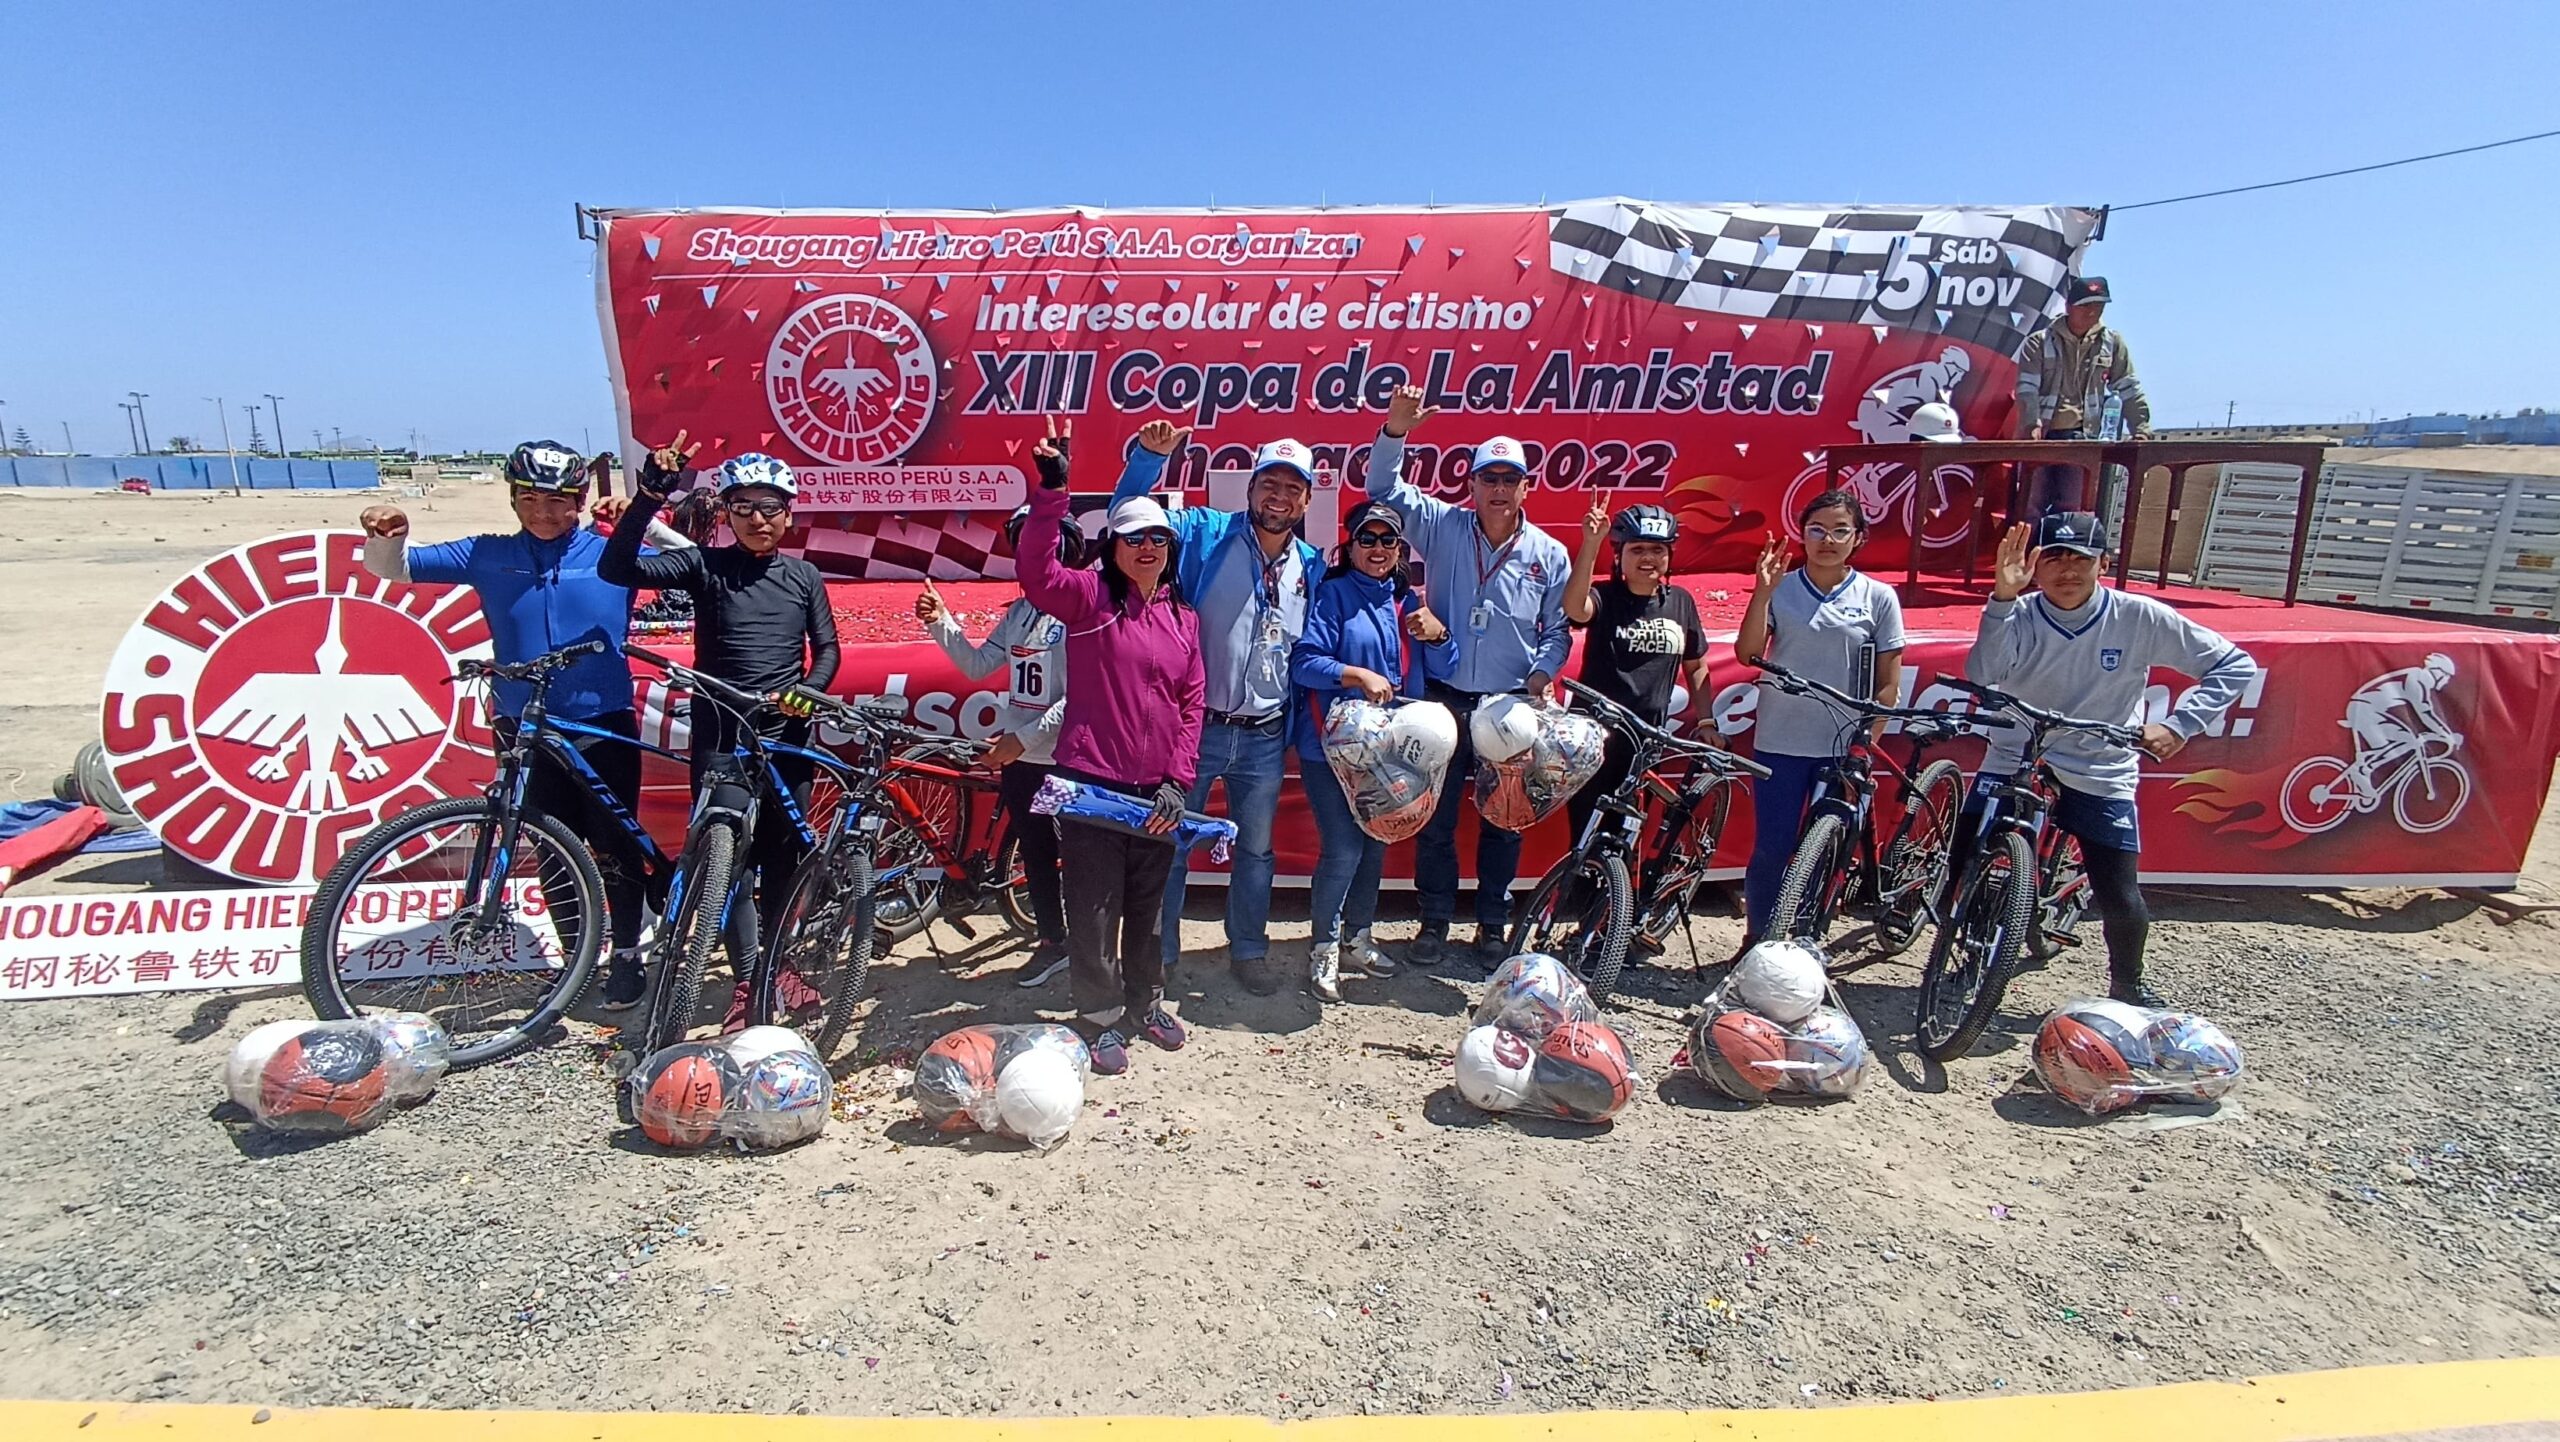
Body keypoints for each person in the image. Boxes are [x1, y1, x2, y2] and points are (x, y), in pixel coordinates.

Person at [358, 440, 656, 1008]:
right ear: (514, 500)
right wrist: (385, 534)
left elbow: (691, 560)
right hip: (523, 725)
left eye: (559, 501)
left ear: (581, 500)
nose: (544, 513)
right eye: (530, 500)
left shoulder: (610, 553)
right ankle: (577, 956)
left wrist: (640, 522)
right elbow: (393, 571)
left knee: (613, 844)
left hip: (604, 720)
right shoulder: (486, 554)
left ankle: (625, 954)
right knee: (550, 846)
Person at [1964, 512, 2259, 1006]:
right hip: (2014, 754)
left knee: (2120, 892)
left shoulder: (2139, 616)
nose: (2067, 571)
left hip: (2100, 762)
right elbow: (1982, 673)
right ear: (2034, 566)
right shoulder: (2016, 610)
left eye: (2080, 558)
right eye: (2053, 558)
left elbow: (2233, 665)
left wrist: (2179, 724)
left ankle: (2129, 984)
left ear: (2104, 562)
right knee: (1964, 863)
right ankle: (1967, 956)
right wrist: (2002, 599)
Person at [599, 435, 843, 1025]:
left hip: (786, 734)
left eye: (771, 508)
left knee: (784, 857)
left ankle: (780, 966)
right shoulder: (703, 564)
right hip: (722, 732)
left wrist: (807, 694)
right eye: (744, 508)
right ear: (727, 514)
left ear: (789, 514)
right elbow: (617, 567)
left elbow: (829, 650)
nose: (758, 520)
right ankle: (745, 981)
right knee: (727, 863)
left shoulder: (804, 575)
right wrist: (652, 494)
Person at [1017, 419, 1204, 1076]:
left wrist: (1178, 783)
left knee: (1149, 909)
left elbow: (1192, 704)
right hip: (1091, 786)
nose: (1147, 547)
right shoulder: (1090, 598)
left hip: (1157, 792)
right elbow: (1037, 572)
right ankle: (1096, 1020)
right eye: (1133, 538)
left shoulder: (1184, 618)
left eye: (1159, 537)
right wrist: (1052, 493)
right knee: (1094, 911)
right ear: (1112, 547)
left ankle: (1145, 1002)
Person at [1108, 422, 1321, 996]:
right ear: (1250, 489)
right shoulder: (1203, 533)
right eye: (1268, 483)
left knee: (1256, 850)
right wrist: (1149, 456)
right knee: (1171, 843)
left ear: (1306, 500)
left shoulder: (1313, 565)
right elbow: (1127, 515)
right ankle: (1162, 953)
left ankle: (1249, 949)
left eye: (1291, 487)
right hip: (1195, 727)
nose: (1278, 496)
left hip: (1265, 733)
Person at [1365, 385, 1572, 970]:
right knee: (1438, 815)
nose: (1499, 490)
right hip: (1447, 698)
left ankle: (1491, 926)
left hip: (1510, 706)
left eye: (1510, 479)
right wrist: (1396, 431)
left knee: (1503, 822)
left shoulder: (1549, 553)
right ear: (1473, 484)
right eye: (1489, 478)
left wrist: (1542, 673)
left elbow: (1558, 629)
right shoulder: (1442, 525)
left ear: (1526, 486)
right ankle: (1433, 921)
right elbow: (1383, 491)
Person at [1289, 500, 1455, 1001]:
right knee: (1342, 848)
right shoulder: (1331, 595)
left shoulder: (1409, 602)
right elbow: (1304, 662)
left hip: (1394, 753)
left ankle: (1357, 937)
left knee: (1376, 842)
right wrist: (1354, 675)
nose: (1378, 549)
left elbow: (1446, 665)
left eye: (1388, 541)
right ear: (1350, 545)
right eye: (1368, 539)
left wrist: (1439, 633)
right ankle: (1323, 947)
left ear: (1401, 549)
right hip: (1332, 753)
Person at [1733, 490, 1907, 959]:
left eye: (1839, 530)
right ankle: (1759, 942)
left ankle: (1805, 940)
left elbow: (1888, 681)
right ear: (1801, 535)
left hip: (1842, 746)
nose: (1826, 540)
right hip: (1781, 739)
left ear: (1858, 538)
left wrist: (1869, 741)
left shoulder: (1878, 597)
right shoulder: (1783, 588)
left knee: (1826, 849)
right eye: (1816, 530)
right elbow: (1748, 654)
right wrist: (1762, 592)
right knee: (1772, 848)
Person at [914, 504, 1078, 988]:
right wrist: (941, 622)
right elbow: (978, 665)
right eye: (1022, 544)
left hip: (1068, 757)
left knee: (1088, 857)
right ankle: (1053, 943)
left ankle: (1095, 951)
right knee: (1037, 852)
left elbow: (1083, 698)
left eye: (1041, 543)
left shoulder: (1081, 611)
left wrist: (1022, 739)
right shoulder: (1022, 612)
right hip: (1022, 757)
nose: (1029, 553)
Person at [1561, 500, 1711, 853]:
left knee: (1627, 839)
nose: (1648, 558)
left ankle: (1619, 904)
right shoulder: (1604, 595)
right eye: (1637, 549)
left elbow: (1696, 666)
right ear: (1620, 555)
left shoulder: (1682, 602)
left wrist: (1707, 721)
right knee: (1586, 836)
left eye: (1658, 549)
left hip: (1647, 741)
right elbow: (1574, 608)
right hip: (1596, 738)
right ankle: (1580, 903)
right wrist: (1591, 544)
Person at [2016, 276, 2150, 516]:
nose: (2093, 312)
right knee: (2030, 506)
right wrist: (2031, 423)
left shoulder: (2112, 343)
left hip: (2083, 439)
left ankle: (2064, 554)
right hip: (2042, 436)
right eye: (2086, 305)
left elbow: (2129, 388)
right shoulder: (2040, 342)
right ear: (2069, 307)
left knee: (2072, 509)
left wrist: (2141, 427)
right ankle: (2027, 553)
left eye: (2099, 306)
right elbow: (2027, 389)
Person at [2340, 652, 2462, 802]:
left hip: (2366, 708)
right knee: (2409, 740)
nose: (2447, 681)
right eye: (2447, 676)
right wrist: (2446, 734)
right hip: (2365, 709)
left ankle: (2364, 766)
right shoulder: (2419, 678)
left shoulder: (2418, 677)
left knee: (2395, 743)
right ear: (2438, 672)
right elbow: (2424, 712)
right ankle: (2363, 769)